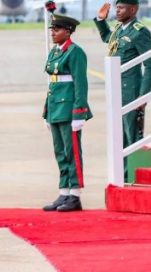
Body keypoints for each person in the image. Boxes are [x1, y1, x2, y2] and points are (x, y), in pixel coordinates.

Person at [94, 0, 151, 151]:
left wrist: (143, 96)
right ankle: (123, 175)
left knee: (132, 133)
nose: (118, 11)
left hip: (131, 89)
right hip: (116, 89)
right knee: (118, 136)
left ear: (133, 9)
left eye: (121, 8)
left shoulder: (140, 32)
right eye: (117, 7)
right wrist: (101, 21)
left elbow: (150, 65)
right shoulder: (118, 29)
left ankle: (133, 173)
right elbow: (107, 38)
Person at [42, 13, 93, 212]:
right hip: (55, 108)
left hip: (70, 109)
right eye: (52, 30)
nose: (52, 33)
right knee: (60, 153)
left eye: (56, 30)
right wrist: (46, 111)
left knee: (72, 153)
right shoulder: (55, 51)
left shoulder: (75, 52)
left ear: (68, 31)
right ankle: (64, 192)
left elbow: (81, 84)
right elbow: (52, 84)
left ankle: (75, 195)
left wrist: (79, 113)